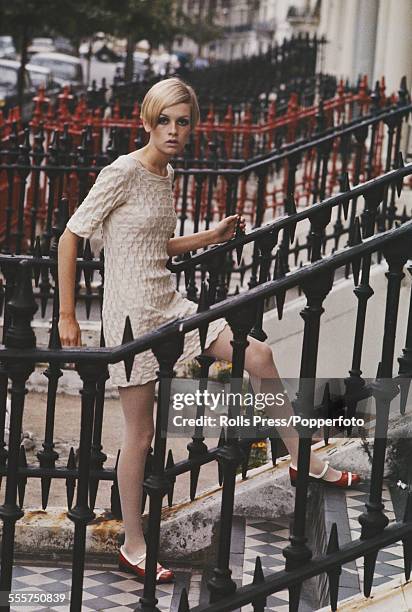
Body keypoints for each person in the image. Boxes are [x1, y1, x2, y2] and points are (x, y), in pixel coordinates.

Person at [57, 77, 360, 584]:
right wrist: (67, 315)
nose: (173, 131)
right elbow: (71, 236)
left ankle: (300, 457)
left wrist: (211, 235)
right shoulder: (123, 171)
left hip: (171, 305)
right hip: (133, 319)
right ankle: (134, 545)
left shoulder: (165, 173)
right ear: (146, 121)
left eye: (182, 122)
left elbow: (154, 247)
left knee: (259, 356)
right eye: (164, 120)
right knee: (141, 433)